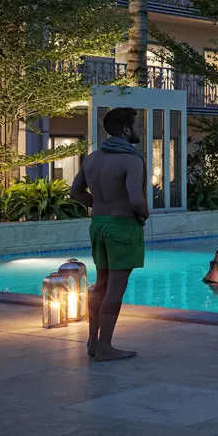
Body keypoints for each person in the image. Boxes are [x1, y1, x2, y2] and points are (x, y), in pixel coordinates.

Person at [71, 107, 148, 362]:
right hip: (122, 226)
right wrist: (144, 213)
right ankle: (105, 347)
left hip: (99, 224)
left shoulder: (92, 158)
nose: (141, 130)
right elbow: (136, 199)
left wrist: (101, 204)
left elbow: (76, 193)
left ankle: (93, 341)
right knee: (116, 289)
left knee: (100, 285)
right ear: (126, 130)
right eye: (138, 126)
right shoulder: (131, 159)